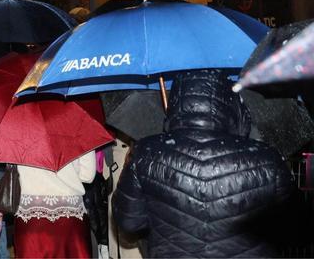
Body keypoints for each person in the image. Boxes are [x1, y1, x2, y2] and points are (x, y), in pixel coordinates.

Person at [113, 69, 296, 257]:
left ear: (177, 101)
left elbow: (130, 222)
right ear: (231, 102)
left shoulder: (146, 152)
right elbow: (290, 226)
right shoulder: (268, 158)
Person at [14, 152, 96, 258]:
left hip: (30, 217)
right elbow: (87, 176)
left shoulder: (16, 140)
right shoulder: (81, 139)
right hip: (69, 216)